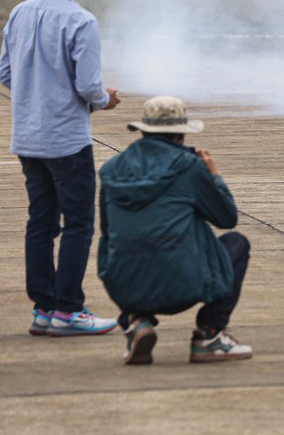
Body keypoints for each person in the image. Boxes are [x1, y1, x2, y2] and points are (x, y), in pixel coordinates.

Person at [0, 0, 121, 337]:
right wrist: (106, 100)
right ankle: (68, 310)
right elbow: (88, 87)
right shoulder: (81, 21)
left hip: (27, 139)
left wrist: (35, 93)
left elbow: (4, 74)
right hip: (67, 141)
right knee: (79, 224)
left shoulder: (19, 12)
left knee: (40, 223)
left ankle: (43, 309)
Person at [97, 95, 253, 365]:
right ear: (181, 133)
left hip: (124, 283)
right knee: (237, 243)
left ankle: (135, 321)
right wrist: (214, 176)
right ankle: (210, 334)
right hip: (183, 283)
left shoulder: (111, 169)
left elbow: (107, 228)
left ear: (144, 130)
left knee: (124, 243)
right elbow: (226, 218)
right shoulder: (189, 166)